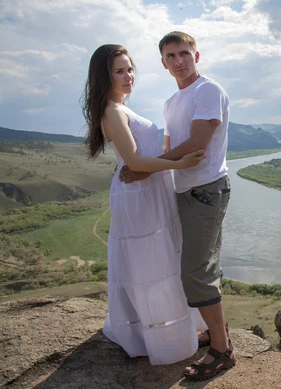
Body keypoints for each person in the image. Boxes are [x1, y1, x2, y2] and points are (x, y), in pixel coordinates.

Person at [82, 44, 208, 365]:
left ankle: (180, 328)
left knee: (164, 258)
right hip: (138, 196)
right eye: (119, 71)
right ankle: (156, 336)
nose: (129, 76)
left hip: (150, 191)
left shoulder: (122, 108)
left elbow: (144, 157)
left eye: (130, 69)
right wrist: (181, 164)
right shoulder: (111, 112)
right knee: (149, 263)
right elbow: (135, 161)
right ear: (104, 76)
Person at [119, 31, 234, 380]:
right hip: (183, 190)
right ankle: (216, 333)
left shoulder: (207, 91)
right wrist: (152, 171)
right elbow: (170, 148)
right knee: (198, 266)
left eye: (184, 53)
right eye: (170, 56)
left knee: (196, 272)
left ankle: (222, 351)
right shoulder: (172, 102)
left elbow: (197, 144)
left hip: (205, 190)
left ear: (197, 56)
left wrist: (141, 168)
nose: (178, 61)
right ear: (163, 62)